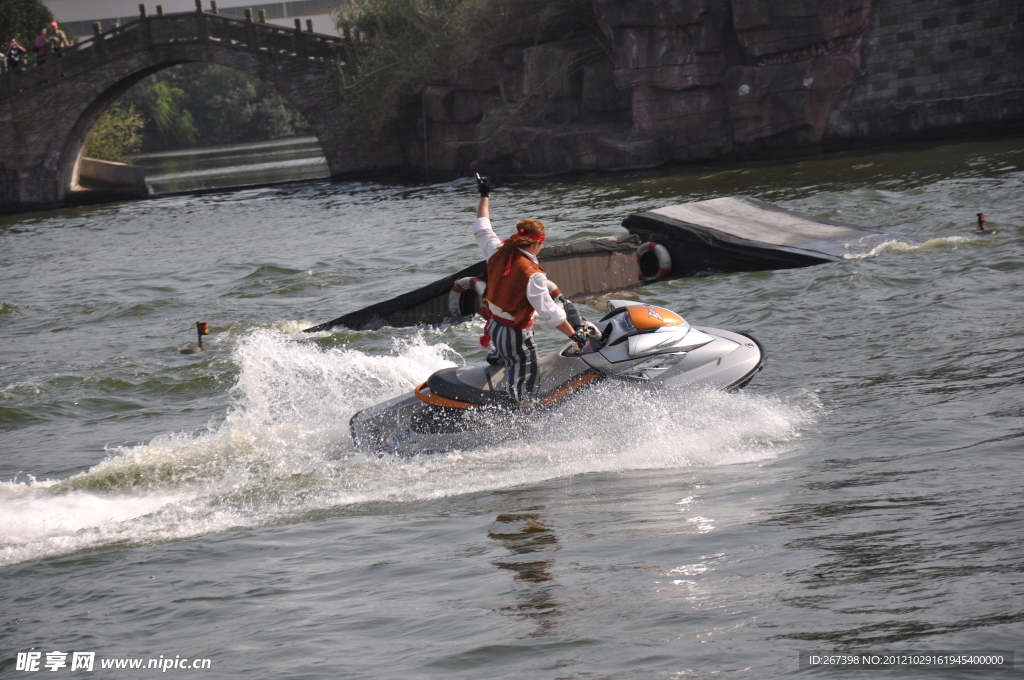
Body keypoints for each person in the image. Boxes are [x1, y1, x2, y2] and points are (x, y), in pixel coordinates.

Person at [471, 174, 587, 405]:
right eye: (542, 244)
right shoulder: (533, 274)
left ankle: (496, 365)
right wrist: (574, 335)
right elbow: (550, 314)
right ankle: (519, 419)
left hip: (495, 327)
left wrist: (484, 194)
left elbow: (481, 227)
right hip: (514, 334)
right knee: (525, 384)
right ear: (536, 243)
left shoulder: (497, 249)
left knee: (504, 355)